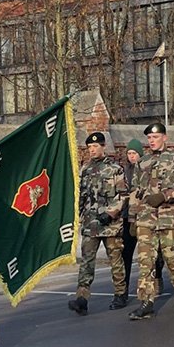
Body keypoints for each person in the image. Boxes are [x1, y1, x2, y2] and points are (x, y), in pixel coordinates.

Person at [127, 123, 174, 320]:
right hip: (146, 219)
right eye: (149, 138)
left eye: (155, 137)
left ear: (164, 137)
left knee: (172, 257)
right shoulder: (142, 163)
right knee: (146, 261)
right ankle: (146, 302)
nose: (152, 141)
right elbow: (135, 193)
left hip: (169, 218)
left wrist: (165, 195)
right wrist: (132, 218)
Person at [69, 132, 129, 315]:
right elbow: (79, 197)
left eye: (95, 146)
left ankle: (120, 294)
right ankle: (82, 298)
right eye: (89, 148)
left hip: (110, 224)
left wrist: (111, 213)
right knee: (87, 262)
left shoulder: (115, 169)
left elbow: (124, 195)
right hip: (90, 224)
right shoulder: (84, 169)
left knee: (115, 260)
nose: (92, 150)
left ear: (103, 147)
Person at [121, 139, 144, 284]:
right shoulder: (123, 171)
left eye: (134, 153)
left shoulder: (145, 169)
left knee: (148, 254)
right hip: (127, 217)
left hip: (144, 216)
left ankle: (156, 279)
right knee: (126, 254)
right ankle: (123, 289)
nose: (132, 156)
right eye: (129, 153)